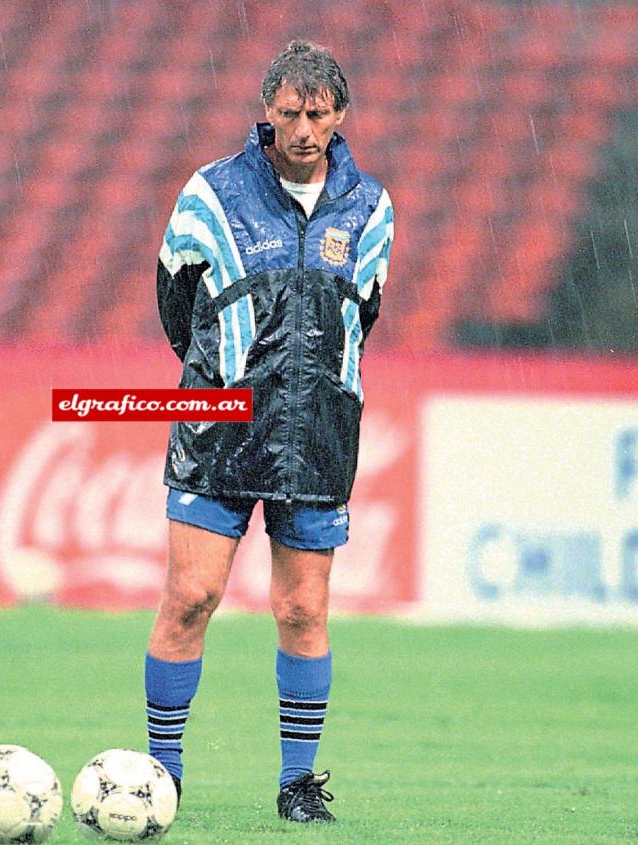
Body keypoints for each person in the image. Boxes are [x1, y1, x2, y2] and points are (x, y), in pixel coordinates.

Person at [149, 41, 394, 823]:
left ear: (340, 116)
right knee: (191, 594)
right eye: (288, 113)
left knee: (302, 611)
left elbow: (364, 317)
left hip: (318, 433)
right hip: (219, 426)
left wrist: (306, 386)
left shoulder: (371, 208)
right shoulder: (210, 194)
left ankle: (297, 784)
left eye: (316, 114)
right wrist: (228, 377)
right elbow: (175, 305)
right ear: (267, 111)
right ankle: (161, 774)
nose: (301, 129)